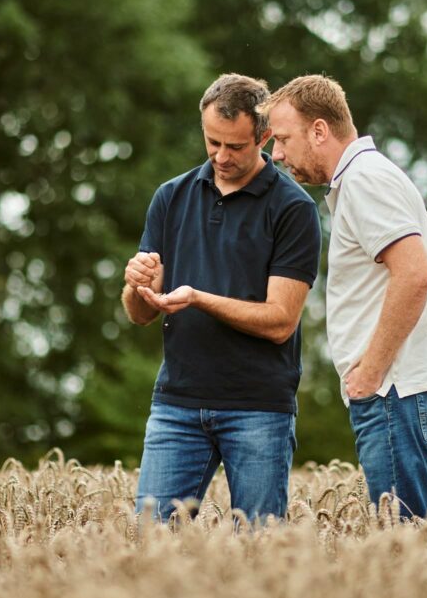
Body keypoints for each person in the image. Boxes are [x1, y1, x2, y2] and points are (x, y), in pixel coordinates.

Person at [261, 75, 427, 520]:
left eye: (282, 139)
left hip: (401, 392)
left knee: (409, 550)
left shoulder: (363, 180)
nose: (275, 154)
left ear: (319, 130)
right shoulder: (372, 175)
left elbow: (415, 275)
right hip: (424, 390)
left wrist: (369, 374)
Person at [122, 73, 321, 524]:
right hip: (176, 402)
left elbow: (280, 320)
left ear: (264, 136)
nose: (220, 156)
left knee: (258, 550)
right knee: (147, 544)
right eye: (212, 142)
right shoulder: (170, 197)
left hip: (257, 407)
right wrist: (137, 284)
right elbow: (138, 315)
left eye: (235, 147)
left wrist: (198, 298)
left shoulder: (293, 209)